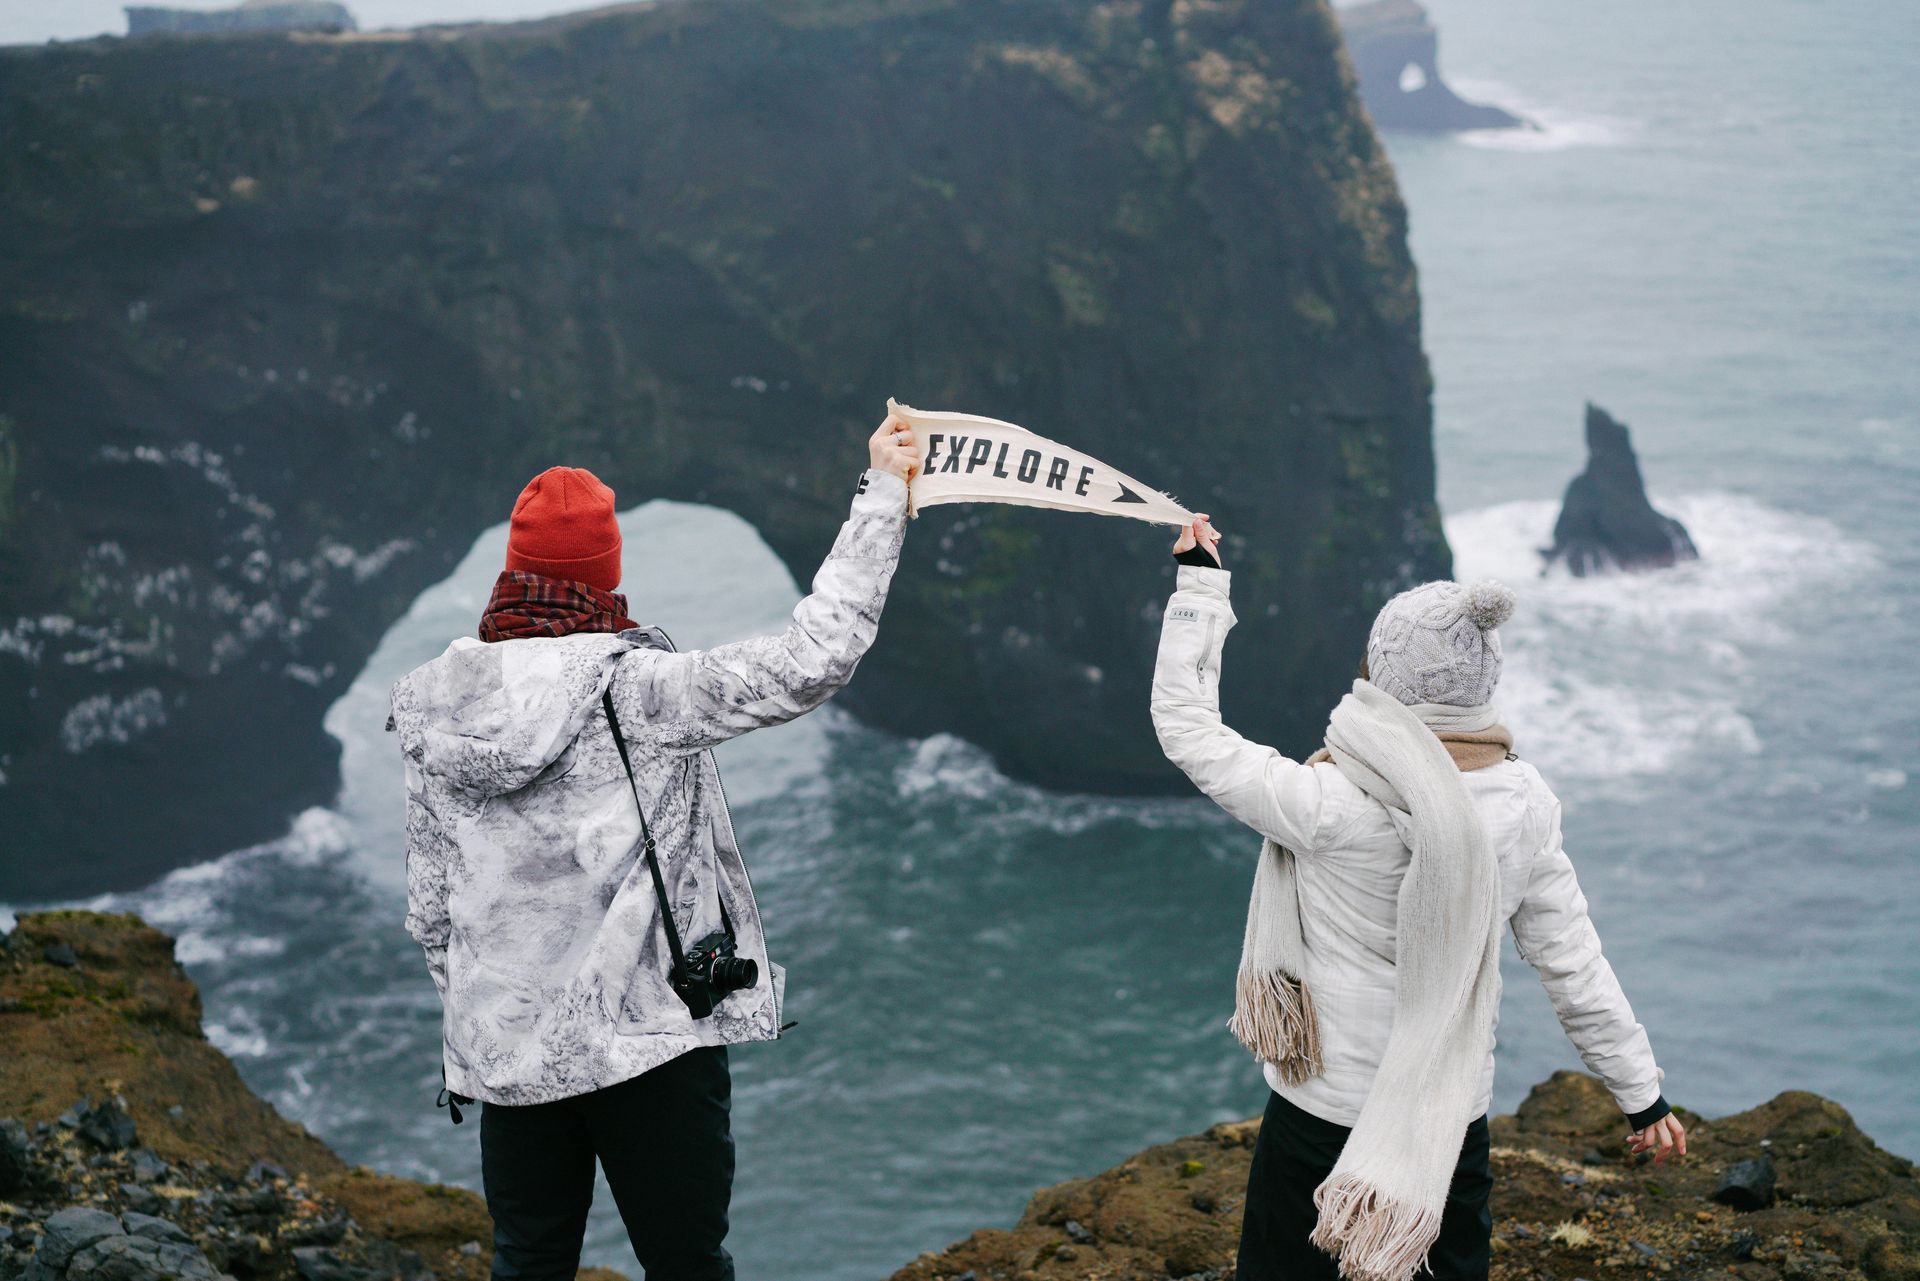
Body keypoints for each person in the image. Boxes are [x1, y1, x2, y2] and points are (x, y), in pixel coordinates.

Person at [389, 417, 922, 1281]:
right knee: (687, 1264)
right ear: (607, 572)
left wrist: (483, 1028)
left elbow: (431, 908)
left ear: (513, 570)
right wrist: (883, 498)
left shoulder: (436, 708)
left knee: (528, 1263)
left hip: (513, 1055)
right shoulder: (640, 690)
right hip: (649, 1046)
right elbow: (811, 658)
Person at [1150, 516, 1684, 1281]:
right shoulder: (1523, 802)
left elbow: (1187, 726)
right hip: (1446, 1117)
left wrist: (1200, 586)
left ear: (1385, 676)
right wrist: (1642, 1094)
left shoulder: (1329, 798)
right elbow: (1571, 961)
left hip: (1320, 1110)